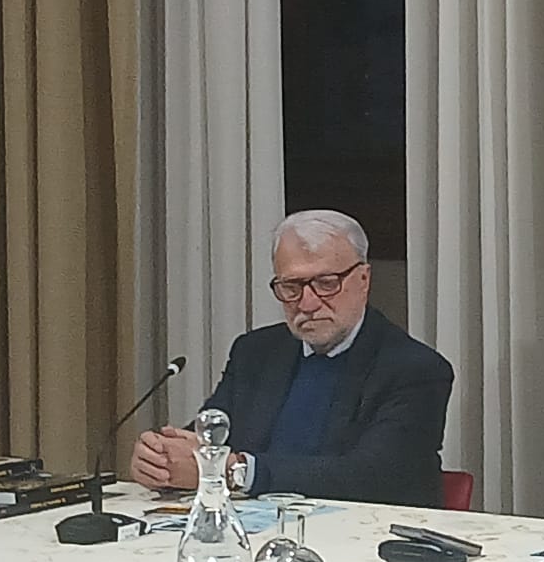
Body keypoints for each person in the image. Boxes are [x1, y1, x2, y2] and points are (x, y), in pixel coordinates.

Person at [129, 210, 454, 505]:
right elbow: (210, 435)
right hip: (255, 532)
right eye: (291, 287)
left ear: (363, 280)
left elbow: (373, 477)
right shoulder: (255, 352)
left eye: (326, 283)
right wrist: (162, 460)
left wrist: (237, 471)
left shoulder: (414, 369)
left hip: (363, 538)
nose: (307, 303)